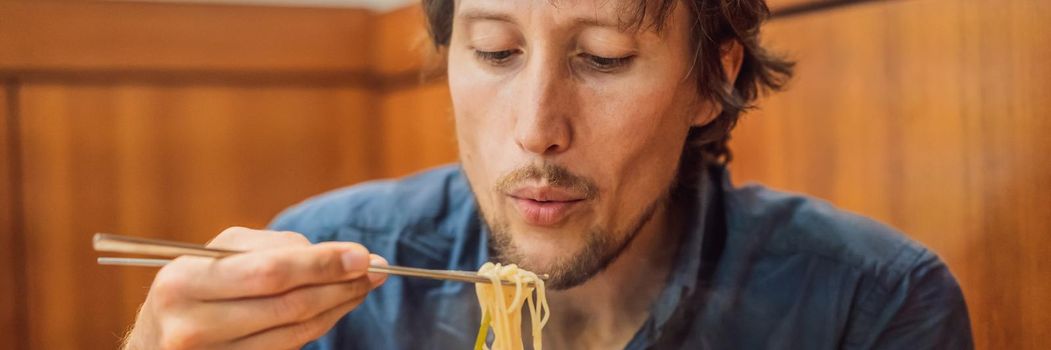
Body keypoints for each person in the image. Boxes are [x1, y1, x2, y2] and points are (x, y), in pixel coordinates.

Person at [121, 0, 973, 349]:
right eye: (494, 52)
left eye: (602, 59)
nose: (535, 130)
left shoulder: (869, 303)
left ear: (708, 83)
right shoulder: (336, 273)